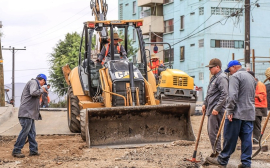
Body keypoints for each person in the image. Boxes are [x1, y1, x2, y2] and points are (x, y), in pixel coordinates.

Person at [206, 60, 256, 168]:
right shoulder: (251, 77)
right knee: (246, 139)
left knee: (229, 137)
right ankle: (246, 163)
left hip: (236, 113)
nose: (230, 73)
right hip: (249, 113)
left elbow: (232, 96)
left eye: (230, 70)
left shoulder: (235, 77)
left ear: (234, 67)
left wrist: (230, 110)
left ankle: (222, 160)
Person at [12, 74, 47, 158]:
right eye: (44, 82)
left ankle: (33, 150)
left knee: (32, 133)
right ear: (42, 80)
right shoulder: (33, 82)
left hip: (29, 114)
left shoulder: (34, 84)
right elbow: (33, 93)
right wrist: (42, 90)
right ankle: (16, 150)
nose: (43, 84)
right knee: (25, 132)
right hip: (26, 113)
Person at [202, 58, 228, 156]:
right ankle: (216, 151)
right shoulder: (214, 77)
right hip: (211, 108)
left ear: (218, 67)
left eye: (211, 68)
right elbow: (210, 93)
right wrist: (205, 103)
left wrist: (217, 108)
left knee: (213, 132)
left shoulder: (221, 77)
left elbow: (224, 94)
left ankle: (218, 152)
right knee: (211, 131)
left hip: (217, 110)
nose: (210, 69)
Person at [247, 71, 267, 144]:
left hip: (258, 107)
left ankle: (256, 141)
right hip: (254, 106)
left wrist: (250, 94)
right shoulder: (253, 84)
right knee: (253, 124)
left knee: (256, 125)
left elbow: (262, 96)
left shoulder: (260, 84)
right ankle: (253, 140)